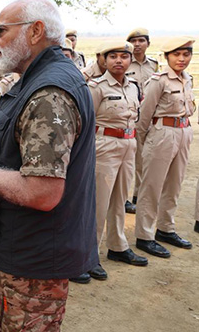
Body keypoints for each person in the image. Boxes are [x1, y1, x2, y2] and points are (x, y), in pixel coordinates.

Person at [0, 0, 98, 331]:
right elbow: (12, 152)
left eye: (1, 30)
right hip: (22, 250)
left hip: (34, 262)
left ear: (35, 32)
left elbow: (42, 192)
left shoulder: (49, 93)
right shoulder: (33, 83)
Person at [84, 41, 148, 283]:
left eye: (124, 56)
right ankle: (90, 254)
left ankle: (118, 245)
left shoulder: (133, 86)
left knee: (121, 198)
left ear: (130, 60)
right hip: (104, 145)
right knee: (99, 202)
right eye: (113, 57)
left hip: (128, 144)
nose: (119, 61)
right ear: (104, 60)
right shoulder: (97, 87)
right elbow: (86, 121)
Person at [135, 37, 195, 258]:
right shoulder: (158, 80)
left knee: (174, 184)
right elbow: (144, 116)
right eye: (176, 54)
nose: (181, 59)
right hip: (162, 133)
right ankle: (144, 236)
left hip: (183, 132)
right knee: (152, 185)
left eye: (186, 54)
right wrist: (144, 142)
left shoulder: (187, 79)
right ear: (167, 57)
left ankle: (166, 228)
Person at [125, 27, 159, 214]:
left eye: (141, 41)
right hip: (129, 118)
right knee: (128, 159)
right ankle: (123, 198)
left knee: (145, 159)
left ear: (148, 43)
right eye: (133, 41)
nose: (137, 45)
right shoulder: (124, 63)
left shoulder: (153, 65)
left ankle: (139, 195)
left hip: (150, 118)